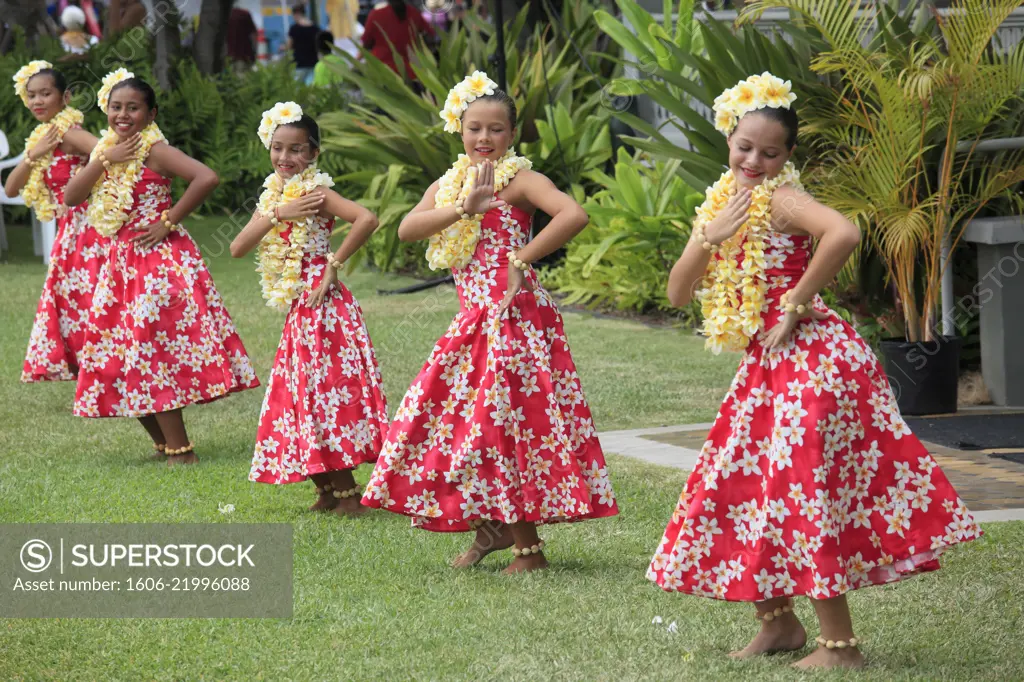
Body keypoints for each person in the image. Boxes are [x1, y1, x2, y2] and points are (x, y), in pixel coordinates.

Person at [646, 72, 982, 670]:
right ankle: (777, 625)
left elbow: (843, 232)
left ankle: (840, 647)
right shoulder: (724, 201)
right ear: (729, 138)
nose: (754, 160)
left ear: (787, 155)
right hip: (769, 365)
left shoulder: (782, 196)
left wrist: (796, 303)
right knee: (750, 486)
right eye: (744, 147)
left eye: (770, 152)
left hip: (811, 360)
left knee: (803, 490)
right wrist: (709, 235)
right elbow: (677, 291)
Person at [361, 72, 619, 572]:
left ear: (512, 134)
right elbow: (409, 228)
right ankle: (496, 530)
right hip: (474, 320)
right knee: (473, 425)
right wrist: (462, 208)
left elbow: (573, 214)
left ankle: (526, 549)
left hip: (514, 319)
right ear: (460, 130)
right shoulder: (453, 182)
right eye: (474, 128)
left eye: (496, 129)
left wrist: (521, 259)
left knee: (507, 426)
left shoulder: (521, 179)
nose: (484, 139)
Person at [63, 69, 260, 465]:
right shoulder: (105, 151)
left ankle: (181, 450)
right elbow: (71, 196)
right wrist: (103, 159)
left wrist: (167, 221)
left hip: (157, 264)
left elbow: (206, 177)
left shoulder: (156, 151)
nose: (123, 115)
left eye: (133, 108)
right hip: (119, 265)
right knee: (112, 354)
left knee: (149, 354)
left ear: (150, 114)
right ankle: (165, 444)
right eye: (116, 107)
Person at [231, 102, 389, 515]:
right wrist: (277, 213)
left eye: (297, 150)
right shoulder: (274, 198)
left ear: (314, 153)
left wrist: (333, 266)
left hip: (324, 307)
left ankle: (348, 495)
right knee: (300, 394)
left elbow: (366, 219)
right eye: (278, 148)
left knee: (324, 394)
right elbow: (237, 248)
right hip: (298, 309)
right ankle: (327, 490)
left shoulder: (318, 193)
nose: (285, 158)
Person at [6, 62, 103, 382]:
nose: (37, 101)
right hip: (68, 233)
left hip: (90, 228)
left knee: (95, 294)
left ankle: (108, 358)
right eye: (31, 95)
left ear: (66, 96)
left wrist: (87, 188)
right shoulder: (43, 139)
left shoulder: (70, 133)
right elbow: (11, 188)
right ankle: (89, 363)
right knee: (73, 298)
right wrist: (34, 154)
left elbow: (106, 154)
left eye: (45, 94)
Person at [360, 0, 435, 81]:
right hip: (412, 72)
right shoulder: (414, 12)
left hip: (381, 69)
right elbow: (430, 34)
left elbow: (366, 43)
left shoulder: (376, 14)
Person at [285, 4, 320, 85]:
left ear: (297, 14)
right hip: (313, 63)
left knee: (298, 89)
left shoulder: (294, 28)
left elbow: (289, 45)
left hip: (299, 64)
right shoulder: (316, 28)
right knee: (311, 88)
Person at [226, 5, 258, 75]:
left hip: (228, 56)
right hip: (243, 55)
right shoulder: (244, 14)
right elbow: (253, 35)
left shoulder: (222, 16)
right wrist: (254, 52)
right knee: (242, 79)